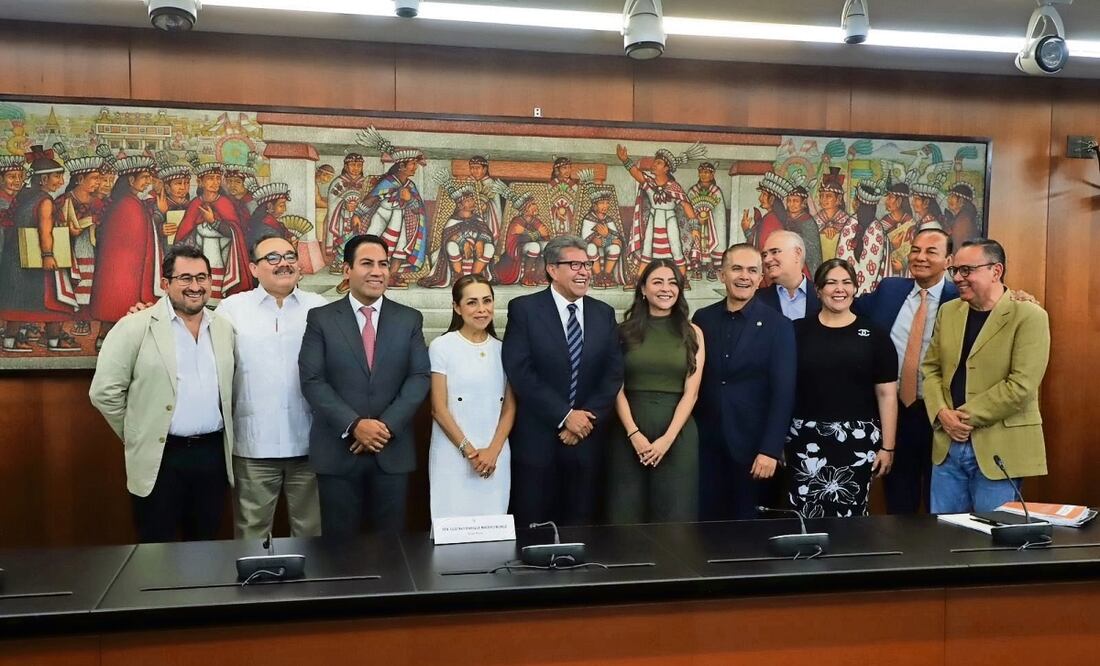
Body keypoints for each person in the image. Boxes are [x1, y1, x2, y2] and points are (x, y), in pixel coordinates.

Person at [89, 244, 236, 542]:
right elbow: (104, 392)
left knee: (207, 549)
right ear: (165, 283)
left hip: (212, 457)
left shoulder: (223, 328)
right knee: (157, 552)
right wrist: (141, 431)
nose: (195, 286)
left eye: (202, 277)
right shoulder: (134, 327)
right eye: (185, 278)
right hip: (161, 457)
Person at [298, 234, 430, 536]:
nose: (377, 271)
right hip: (338, 451)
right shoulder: (321, 319)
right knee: (339, 554)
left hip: (391, 451)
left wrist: (384, 428)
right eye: (367, 263)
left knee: (392, 552)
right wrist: (355, 424)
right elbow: (313, 380)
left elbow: (419, 377)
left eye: (383, 264)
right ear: (347, 270)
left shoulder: (409, 319)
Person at [502, 235, 624, 526]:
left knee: (580, 527)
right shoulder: (524, 310)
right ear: (552, 269)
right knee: (533, 526)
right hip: (538, 442)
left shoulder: (603, 313)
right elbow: (520, 371)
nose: (584, 271)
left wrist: (584, 421)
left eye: (587, 264)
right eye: (575, 264)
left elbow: (613, 373)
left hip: (586, 440)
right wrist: (564, 416)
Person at [921, 238, 1050, 513]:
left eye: (966, 270)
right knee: (944, 540)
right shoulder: (949, 311)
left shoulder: (1029, 315)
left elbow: (1021, 385)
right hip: (947, 446)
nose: (957, 278)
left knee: (992, 545)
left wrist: (961, 417)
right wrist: (942, 414)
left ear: (996, 271)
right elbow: (930, 368)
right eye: (954, 270)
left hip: (999, 449)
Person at [216, 234, 327, 539]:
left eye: (290, 256)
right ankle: (253, 588)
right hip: (253, 445)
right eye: (273, 258)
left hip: (309, 444)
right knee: (251, 533)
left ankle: (311, 588)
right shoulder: (231, 309)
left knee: (311, 532)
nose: (284, 264)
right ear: (253, 268)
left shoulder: (320, 308)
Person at [853, 228, 958, 514]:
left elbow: (996, 303)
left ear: (949, 260)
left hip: (939, 415)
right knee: (899, 502)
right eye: (915, 250)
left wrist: (1019, 296)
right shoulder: (890, 290)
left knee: (941, 505)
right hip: (893, 413)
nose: (920, 257)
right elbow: (843, 303)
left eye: (931, 252)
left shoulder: (959, 299)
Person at [692, 243, 795, 520]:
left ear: (761, 278)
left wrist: (770, 450)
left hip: (753, 450)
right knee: (706, 528)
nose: (744, 277)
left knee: (747, 532)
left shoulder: (779, 326)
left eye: (752, 270)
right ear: (722, 274)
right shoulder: (702, 319)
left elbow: (784, 393)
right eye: (736, 268)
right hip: (705, 445)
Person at [787, 258, 897, 518]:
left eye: (847, 282)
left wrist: (888, 447)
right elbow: (783, 389)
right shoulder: (796, 332)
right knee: (804, 515)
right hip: (804, 437)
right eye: (831, 283)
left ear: (855, 288)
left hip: (857, 439)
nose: (840, 289)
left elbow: (887, 394)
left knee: (851, 516)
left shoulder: (875, 334)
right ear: (818, 290)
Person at [608, 259, 704, 524]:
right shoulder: (622, 332)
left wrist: (667, 439)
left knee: (675, 517)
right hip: (628, 432)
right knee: (625, 516)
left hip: (677, 434)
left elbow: (691, 393)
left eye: (673, 282)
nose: (666, 289)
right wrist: (634, 433)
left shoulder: (693, 333)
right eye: (658, 282)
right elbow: (615, 386)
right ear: (643, 289)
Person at [428, 274, 515, 521]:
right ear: (457, 307)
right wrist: (471, 453)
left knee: (492, 527)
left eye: (487, 301)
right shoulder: (442, 346)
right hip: (452, 454)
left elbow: (509, 407)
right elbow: (438, 408)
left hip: (495, 454)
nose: (481, 309)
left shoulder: (503, 349)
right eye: (472, 302)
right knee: (451, 529)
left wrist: (493, 451)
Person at [0, 146, 79, 354]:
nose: (61, 182)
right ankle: (53, 341)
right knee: (54, 300)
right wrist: (48, 255)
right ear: (43, 180)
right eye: (56, 177)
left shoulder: (24, 196)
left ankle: (10, 341)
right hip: (39, 258)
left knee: (19, 301)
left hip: (16, 257)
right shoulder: (45, 201)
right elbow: (45, 231)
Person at [88, 155, 162, 352]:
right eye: (144, 177)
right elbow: (135, 237)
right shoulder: (128, 205)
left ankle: (107, 341)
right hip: (125, 269)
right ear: (131, 180)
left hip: (124, 267)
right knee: (119, 306)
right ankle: (107, 341)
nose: (148, 181)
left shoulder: (129, 202)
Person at [836, 180, 888, 295]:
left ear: (858, 204)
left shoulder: (851, 224)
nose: (854, 203)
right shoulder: (877, 228)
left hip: (847, 293)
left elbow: (842, 260)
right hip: (867, 294)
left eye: (855, 200)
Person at [757, 230, 821, 320]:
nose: (767, 260)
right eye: (764, 255)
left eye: (775, 252)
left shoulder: (823, 296)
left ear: (797, 254)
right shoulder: (756, 300)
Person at [783, 184, 823, 278]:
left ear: (804, 202)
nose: (791, 204)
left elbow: (813, 249)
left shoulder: (808, 221)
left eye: (795, 201)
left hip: (805, 267)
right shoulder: (783, 219)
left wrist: (796, 236)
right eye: (789, 201)